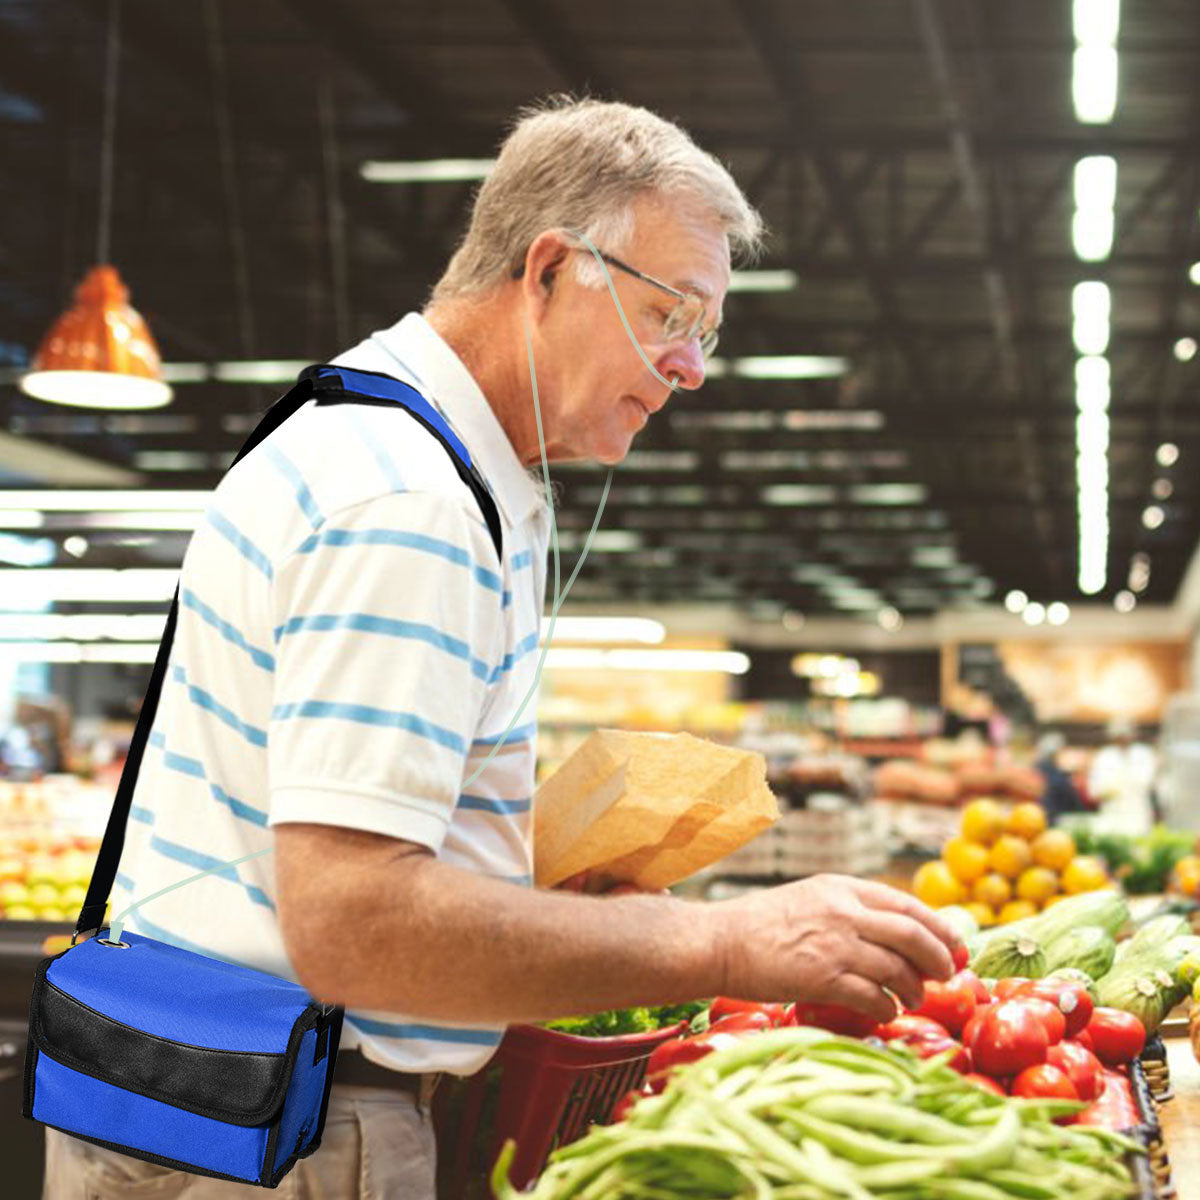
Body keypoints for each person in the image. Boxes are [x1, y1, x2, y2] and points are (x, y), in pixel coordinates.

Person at [45, 96, 959, 1199]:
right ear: (551, 270)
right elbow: (355, 928)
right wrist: (723, 943)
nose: (691, 368)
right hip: (280, 1140)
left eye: (706, 333)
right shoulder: (407, 501)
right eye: (673, 314)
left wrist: (524, 879)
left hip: (217, 1115)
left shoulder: (396, 443)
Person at [1087, 716, 1157, 836]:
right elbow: (1094, 790)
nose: (1123, 740)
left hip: (1138, 815)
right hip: (1112, 816)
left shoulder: (1144, 754)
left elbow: (1148, 782)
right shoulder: (1104, 756)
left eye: (1125, 736)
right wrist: (1106, 792)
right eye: (1119, 737)